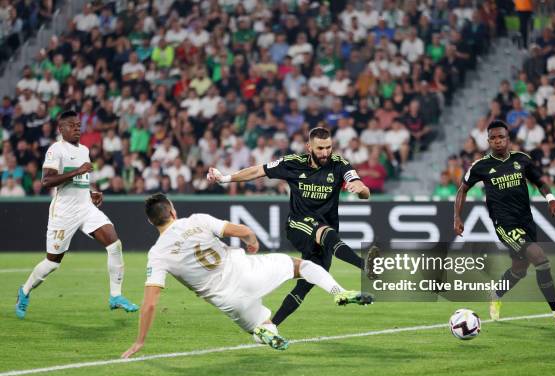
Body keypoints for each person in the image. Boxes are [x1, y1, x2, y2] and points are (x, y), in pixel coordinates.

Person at [121, 194, 373, 356]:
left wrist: (140, 341)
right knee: (303, 266)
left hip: (228, 300)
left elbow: (150, 303)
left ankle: (266, 333)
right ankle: (339, 292)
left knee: (259, 329)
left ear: (152, 222)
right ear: (172, 211)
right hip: (247, 271)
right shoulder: (197, 220)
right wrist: (251, 242)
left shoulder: (157, 254)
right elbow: (242, 230)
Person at [208, 127, 377, 326]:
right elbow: (257, 171)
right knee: (327, 233)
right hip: (298, 225)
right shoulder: (292, 163)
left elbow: (360, 187)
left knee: (305, 284)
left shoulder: (339, 164)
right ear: (309, 147)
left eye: (328, 147)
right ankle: (364, 266)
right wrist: (225, 178)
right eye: (320, 148)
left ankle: (269, 328)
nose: (325, 152)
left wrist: (362, 189)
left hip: (324, 234)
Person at [14, 111, 139, 319]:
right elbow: (46, 181)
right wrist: (77, 171)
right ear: (60, 129)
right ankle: (25, 290)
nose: (77, 129)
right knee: (52, 262)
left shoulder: (84, 150)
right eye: (71, 126)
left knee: (114, 244)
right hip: (64, 212)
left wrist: (91, 193)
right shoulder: (56, 150)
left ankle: (115, 296)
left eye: (78, 125)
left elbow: (79, 182)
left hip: (86, 208)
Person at [453, 120, 555, 327]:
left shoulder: (522, 160)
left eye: (501, 137)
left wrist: (551, 199)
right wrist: (457, 216)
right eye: (493, 138)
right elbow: (462, 189)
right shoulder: (481, 166)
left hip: (526, 221)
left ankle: (496, 295)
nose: (498, 141)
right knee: (541, 259)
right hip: (505, 224)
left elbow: (540, 182)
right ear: (488, 141)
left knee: (519, 269)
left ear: (508, 139)